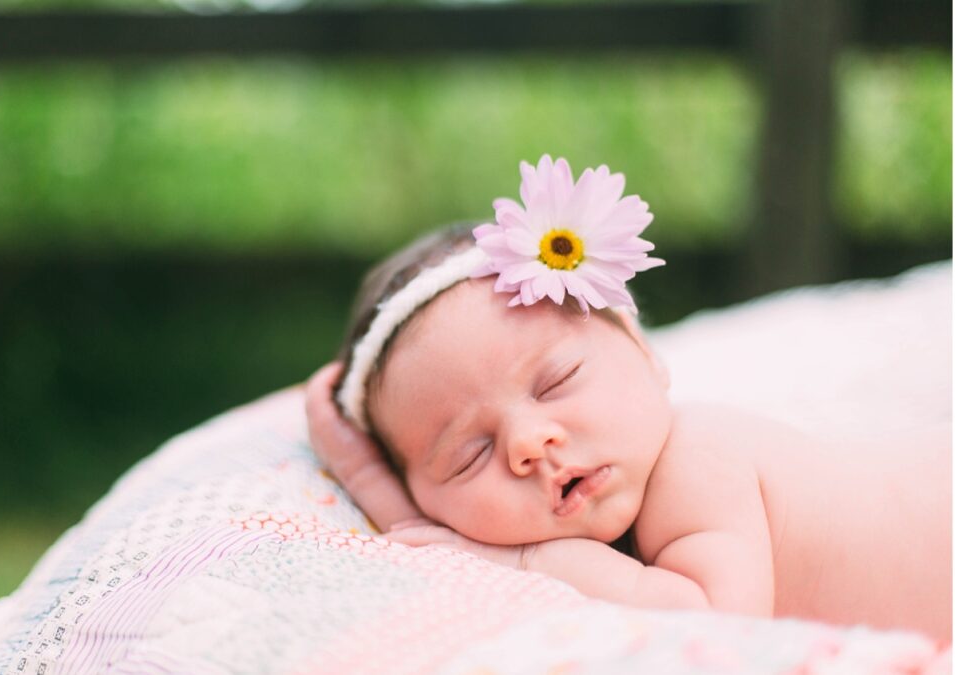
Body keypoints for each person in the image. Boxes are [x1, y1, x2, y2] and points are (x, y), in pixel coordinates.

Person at [305, 155, 952, 642]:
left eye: (555, 382)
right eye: (470, 454)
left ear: (645, 354)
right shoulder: (595, 519)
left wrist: (530, 557)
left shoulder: (696, 462)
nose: (531, 443)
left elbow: (716, 626)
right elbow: (419, 537)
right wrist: (358, 465)